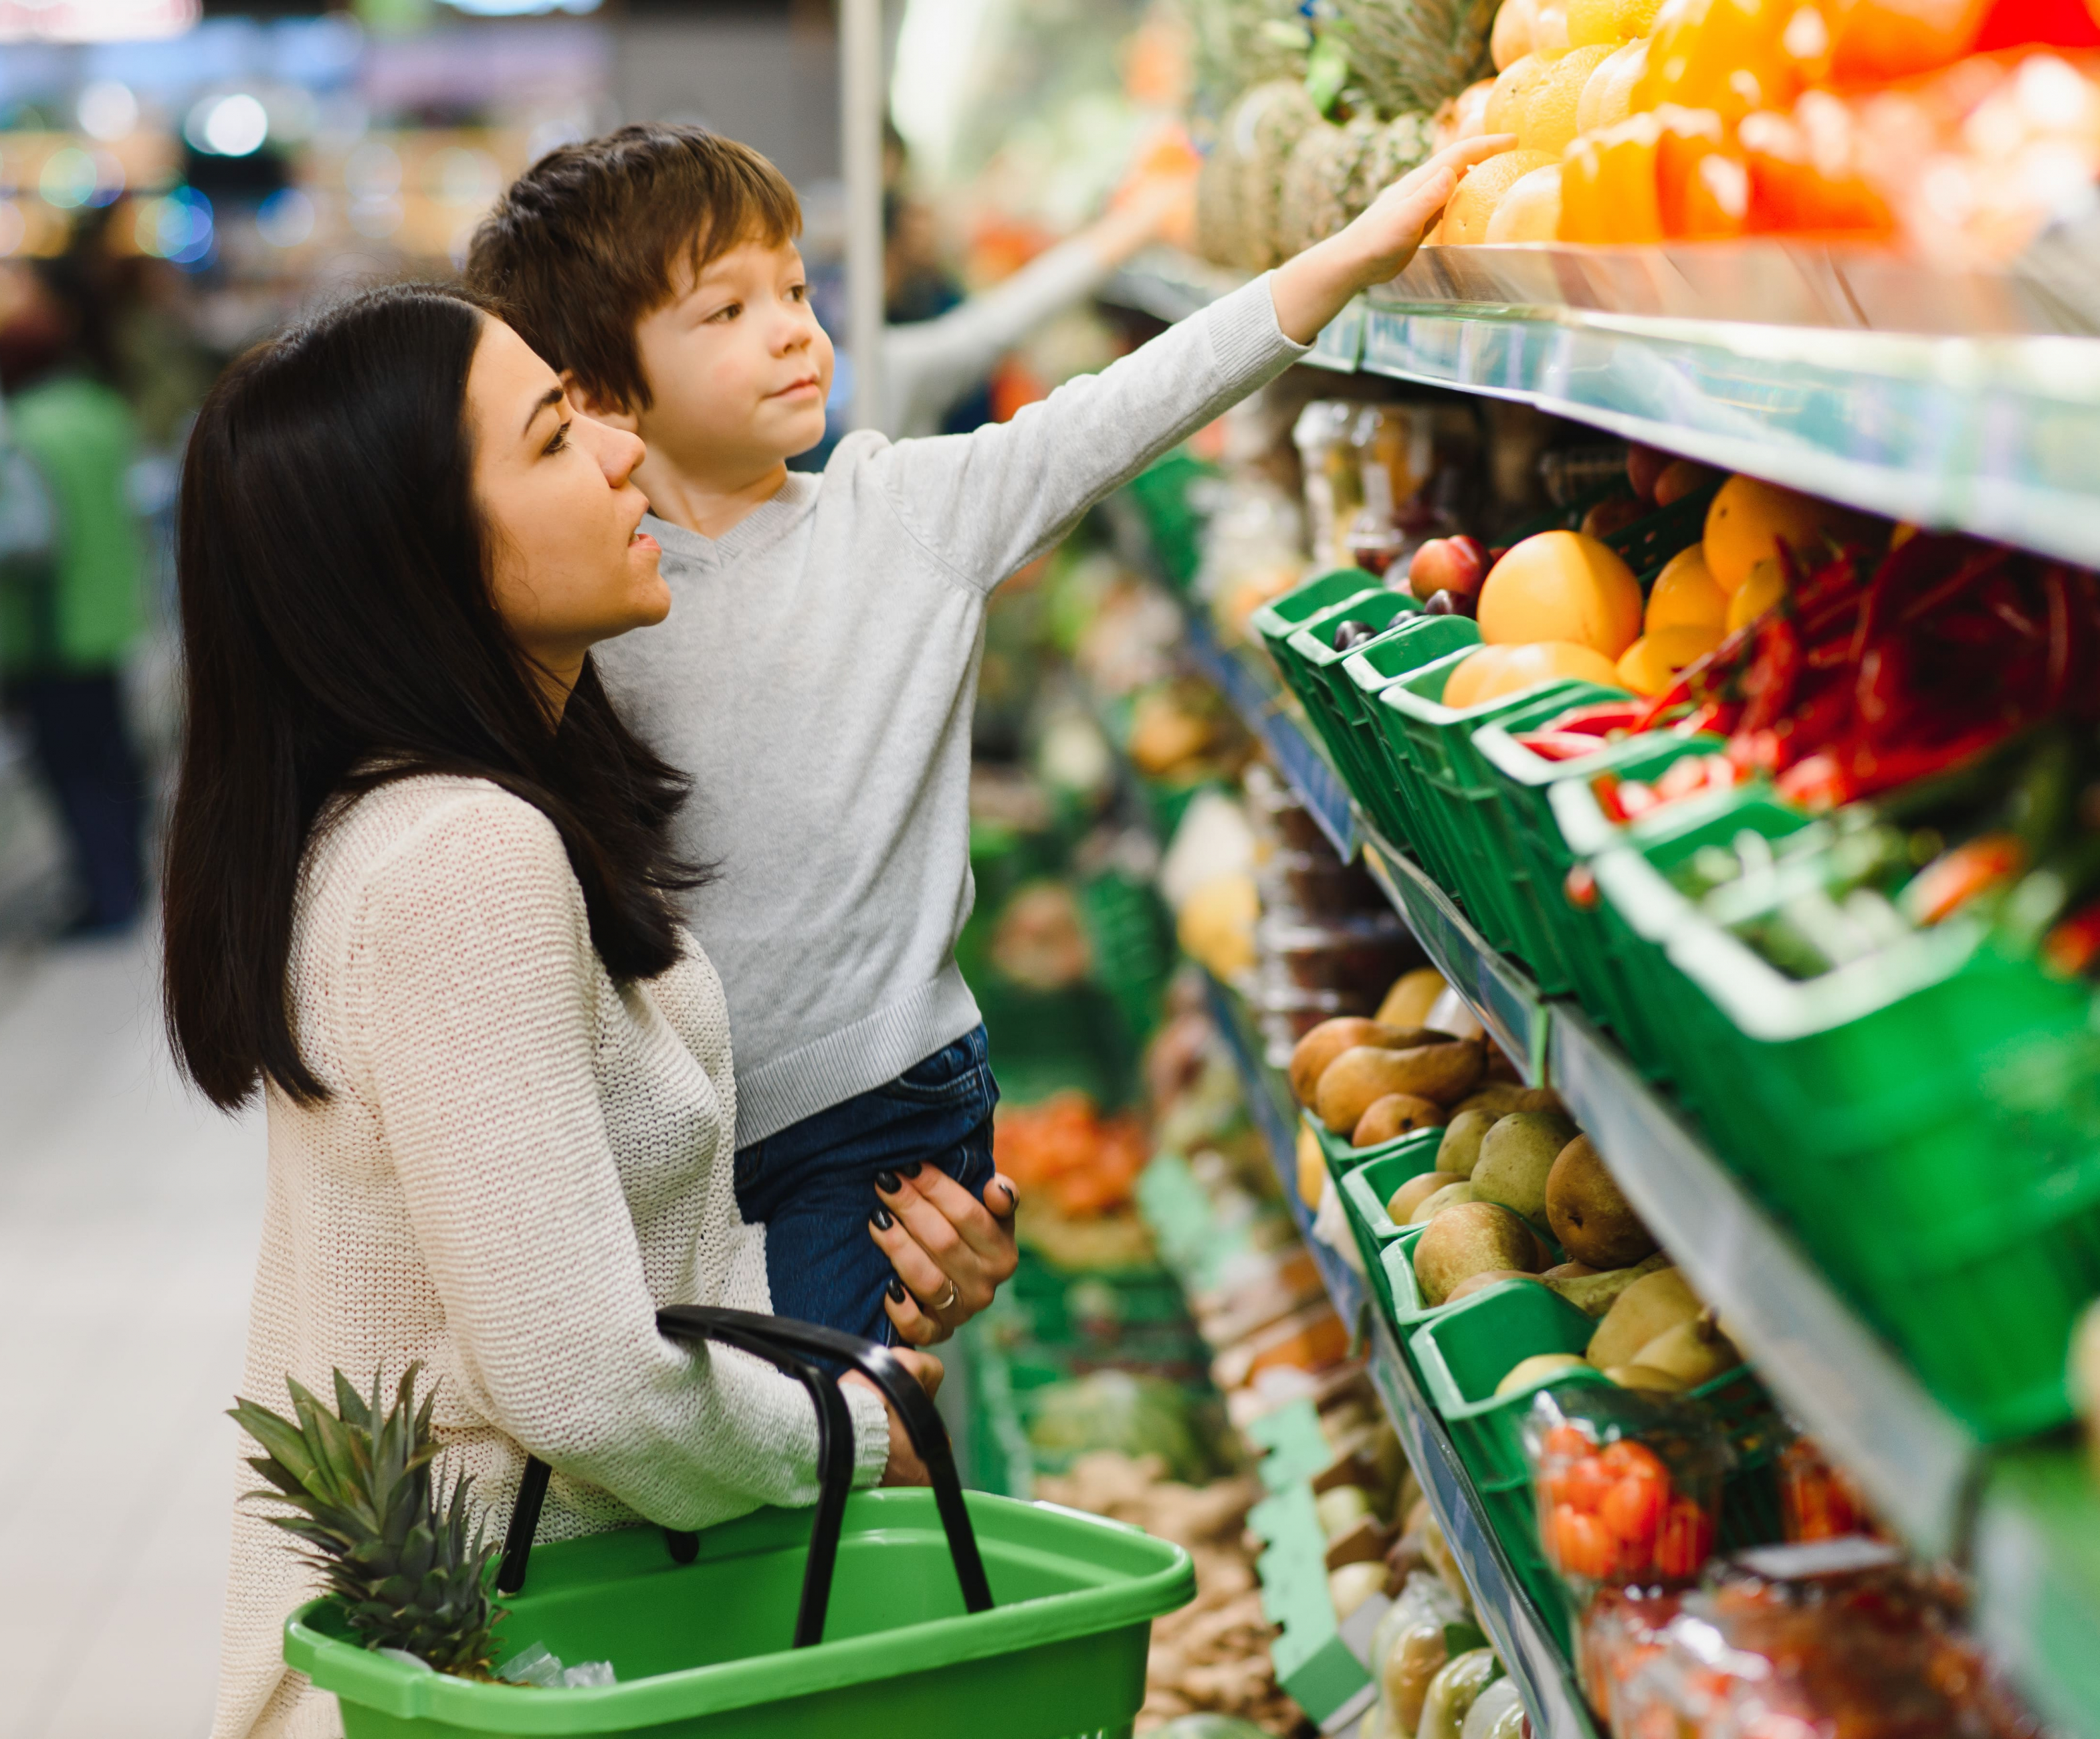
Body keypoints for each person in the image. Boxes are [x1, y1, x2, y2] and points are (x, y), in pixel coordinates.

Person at [464, 123, 1507, 1347]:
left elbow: (1120, 410)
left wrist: (1346, 260)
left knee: (825, 1448)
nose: (796, 327)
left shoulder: (902, 511)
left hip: (877, 1113)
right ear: (591, 389)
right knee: (729, 1434)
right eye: (726, 311)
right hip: (687, 1114)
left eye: (798, 289)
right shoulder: (593, 587)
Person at [162, 285, 1018, 1738]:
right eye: (555, 439)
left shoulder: (431, 818)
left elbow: (574, 1269)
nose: (622, 452)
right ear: (418, 557)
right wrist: (852, 1426)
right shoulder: (462, 862)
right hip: (489, 1677)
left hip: (520, 1657)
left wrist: (859, 1299)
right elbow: (576, 1377)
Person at [0, 253, 148, 934]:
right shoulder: (98, 408)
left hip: (50, 627)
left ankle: (105, 898)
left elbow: (24, 537)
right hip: (109, 617)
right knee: (112, 761)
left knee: (73, 773)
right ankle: (126, 884)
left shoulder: (22, 430)